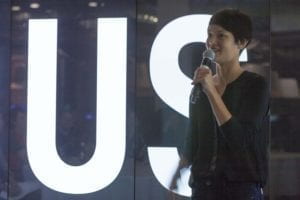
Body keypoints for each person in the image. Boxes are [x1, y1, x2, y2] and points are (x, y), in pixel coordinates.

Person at [170, 8, 269, 200]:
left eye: (221, 36)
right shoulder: (201, 87)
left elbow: (239, 139)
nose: (211, 42)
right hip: (202, 188)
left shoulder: (256, 85)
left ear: (241, 43)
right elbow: (194, 138)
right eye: (209, 35)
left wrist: (211, 91)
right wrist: (177, 174)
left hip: (241, 189)